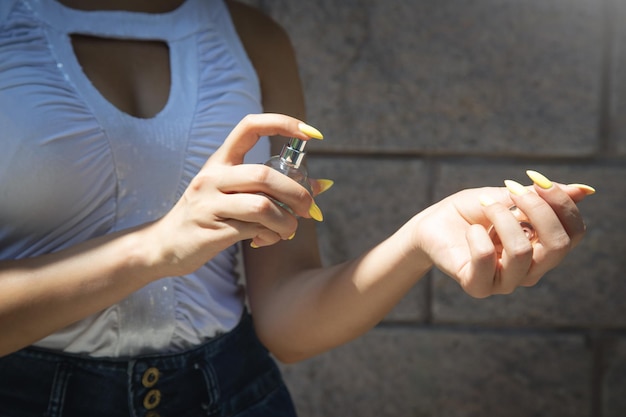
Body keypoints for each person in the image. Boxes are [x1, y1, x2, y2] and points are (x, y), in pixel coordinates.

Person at [0, 0, 595, 416]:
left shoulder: (254, 38)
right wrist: (157, 248)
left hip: (231, 394)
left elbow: (286, 323)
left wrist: (418, 240)